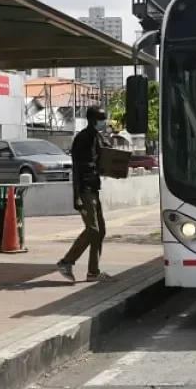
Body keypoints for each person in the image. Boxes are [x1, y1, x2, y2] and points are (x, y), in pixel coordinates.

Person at [57, 106, 113, 282]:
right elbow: (76, 169)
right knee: (93, 229)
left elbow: (106, 156)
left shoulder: (96, 137)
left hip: (94, 189)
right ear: (93, 120)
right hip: (85, 191)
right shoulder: (82, 139)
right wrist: (77, 196)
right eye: (102, 119)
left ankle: (93, 272)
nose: (104, 122)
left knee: (100, 231)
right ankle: (66, 261)